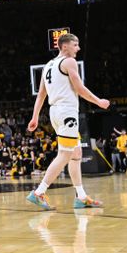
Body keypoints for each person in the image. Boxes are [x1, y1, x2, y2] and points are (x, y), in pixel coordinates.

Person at [27, 34, 110, 210]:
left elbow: (41, 95)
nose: (78, 48)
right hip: (66, 112)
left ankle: (80, 197)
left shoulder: (48, 66)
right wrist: (99, 101)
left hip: (55, 112)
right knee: (64, 155)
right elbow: (80, 88)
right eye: (75, 45)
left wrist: (35, 117)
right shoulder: (69, 62)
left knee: (76, 153)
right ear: (64, 47)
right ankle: (39, 192)